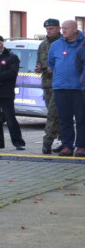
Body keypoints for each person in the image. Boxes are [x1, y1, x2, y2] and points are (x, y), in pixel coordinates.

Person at [52, 20, 85, 157]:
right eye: (62, 28)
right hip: (60, 87)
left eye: (66, 28)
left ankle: (81, 146)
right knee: (64, 118)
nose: (63, 31)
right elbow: (51, 64)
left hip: (79, 88)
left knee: (81, 119)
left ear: (75, 30)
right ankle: (67, 145)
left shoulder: (82, 45)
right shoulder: (56, 45)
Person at [36, 18, 62, 154]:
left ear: (59, 28)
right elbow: (39, 61)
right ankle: (65, 141)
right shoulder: (43, 44)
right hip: (46, 84)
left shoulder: (62, 43)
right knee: (56, 115)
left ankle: (47, 143)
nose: (49, 31)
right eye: (47, 29)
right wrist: (39, 67)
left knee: (53, 115)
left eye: (51, 28)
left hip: (59, 84)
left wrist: (54, 68)